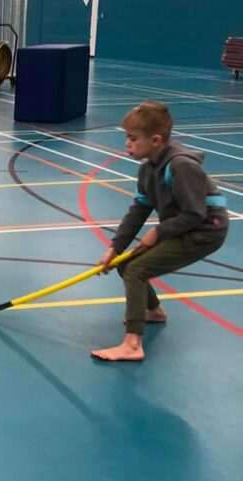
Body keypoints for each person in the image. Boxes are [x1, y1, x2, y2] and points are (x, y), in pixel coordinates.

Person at [91, 102, 228, 362]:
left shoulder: (181, 166)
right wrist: (115, 248)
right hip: (183, 226)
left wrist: (158, 232)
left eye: (133, 139)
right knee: (125, 263)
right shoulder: (147, 169)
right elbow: (138, 210)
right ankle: (154, 311)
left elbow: (195, 214)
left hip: (205, 231)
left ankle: (132, 344)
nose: (127, 144)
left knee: (136, 270)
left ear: (155, 140)